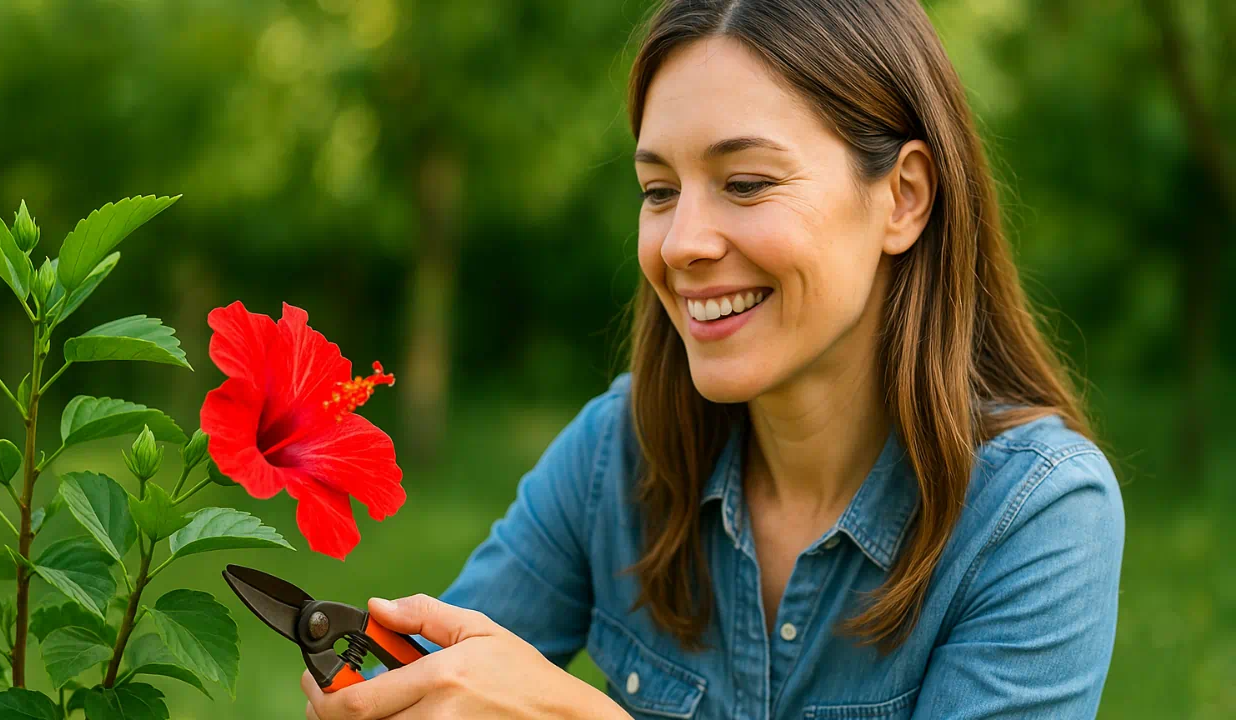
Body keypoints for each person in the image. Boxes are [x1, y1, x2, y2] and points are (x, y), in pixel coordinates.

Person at [302, 0, 1125, 717]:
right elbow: (423, 683)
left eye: (746, 183)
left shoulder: (1037, 516)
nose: (682, 243)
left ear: (903, 197)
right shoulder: (612, 459)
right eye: (659, 191)